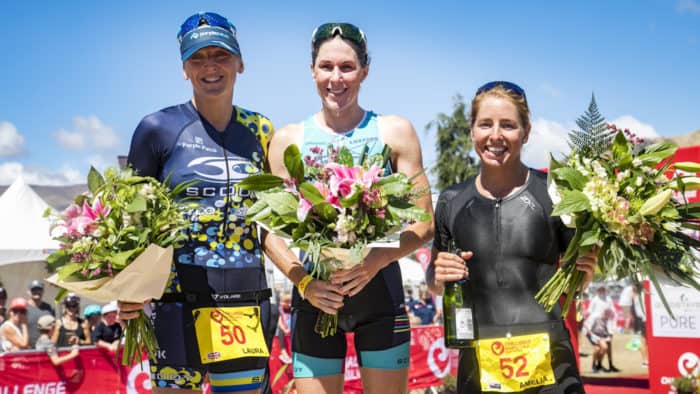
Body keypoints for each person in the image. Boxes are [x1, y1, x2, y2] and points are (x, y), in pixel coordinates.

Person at [120, 11, 303, 394]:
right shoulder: (156, 128)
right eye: (197, 58)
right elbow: (132, 224)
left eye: (220, 55)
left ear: (240, 62)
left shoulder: (262, 130)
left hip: (244, 302)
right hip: (174, 302)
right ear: (184, 68)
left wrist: (301, 277)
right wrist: (126, 290)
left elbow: (268, 223)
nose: (210, 67)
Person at [269, 22, 434, 393]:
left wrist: (373, 260)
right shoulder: (287, 139)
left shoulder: (394, 132)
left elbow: (424, 222)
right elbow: (268, 230)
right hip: (314, 298)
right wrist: (303, 282)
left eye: (347, 67)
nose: (336, 78)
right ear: (312, 71)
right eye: (326, 67)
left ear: (364, 71)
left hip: (381, 296)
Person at [427, 81, 597, 393]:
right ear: (472, 131)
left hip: (550, 364)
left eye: (508, 125)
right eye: (485, 124)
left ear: (526, 132)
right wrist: (439, 276)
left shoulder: (556, 193)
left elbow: (579, 279)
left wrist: (586, 267)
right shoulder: (451, 200)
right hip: (478, 364)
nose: (495, 135)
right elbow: (434, 281)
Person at [587, 285, 619, 372]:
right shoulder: (595, 300)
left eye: (603, 289)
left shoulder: (608, 299)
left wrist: (611, 329)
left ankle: (609, 364)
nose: (602, 291)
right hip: (596, 326)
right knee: (599, 348)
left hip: (605, 324)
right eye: (600, 289)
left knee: (608, 346)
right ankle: (597, 365)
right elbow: (589, 312)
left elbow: (612, 311)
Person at [583, 308, 615, 373]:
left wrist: (609, 337)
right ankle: (595, 366)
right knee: (600, 348)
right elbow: (586, 325)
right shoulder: (595, 316)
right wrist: (592, 335)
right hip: (590, 333)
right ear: (603, 313)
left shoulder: (609, 319)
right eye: (606, 316)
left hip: (600, 335)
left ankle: (598, 365)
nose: (607, 318)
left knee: (602, 348)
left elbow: (610, 331)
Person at [26, 279, 55, 348]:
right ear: (28, 292)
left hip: (46, 349)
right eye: (34, 290)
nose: (37, 292)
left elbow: (54, 328)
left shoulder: (49, 308)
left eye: (39, 289)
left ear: (43, 291)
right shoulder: (23, 309)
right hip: (27, 350)